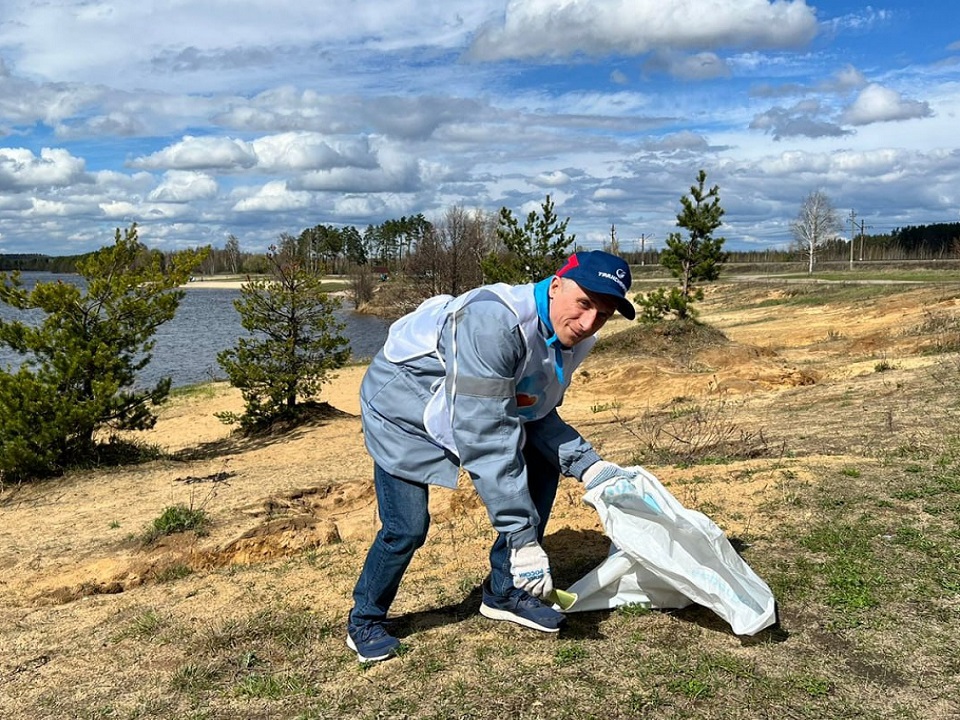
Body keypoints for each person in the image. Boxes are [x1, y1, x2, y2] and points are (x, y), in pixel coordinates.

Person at [346, 250, 638, 662]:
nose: (589, 323)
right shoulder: (493, 324)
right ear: (555, 286)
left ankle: (504, 592)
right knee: (407, 527)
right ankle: (365, 619)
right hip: (404, 409)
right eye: (585, 303)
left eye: (603, 314)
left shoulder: (575, 333)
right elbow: (487, 437)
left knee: (542, 465)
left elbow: (534, 411)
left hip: (472, 407)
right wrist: (522, 539)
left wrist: (590, 465)